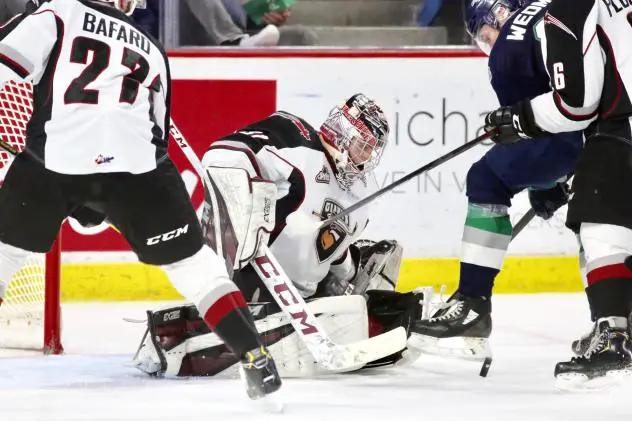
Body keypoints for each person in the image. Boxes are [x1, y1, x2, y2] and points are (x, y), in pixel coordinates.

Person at [0, 0, 281, 399]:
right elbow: (157, 134)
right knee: (194, 265)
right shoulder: (152, 46)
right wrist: (108, 197)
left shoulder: (59, 11)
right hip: (137, 170)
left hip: (57, 159)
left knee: (4, 254)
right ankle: (255, 357)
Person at [132, 94, 426, 377]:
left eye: (372, 149)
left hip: (307, 295)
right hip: (256, 280)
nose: (368, 156)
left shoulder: (363, 190)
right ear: (344, 133)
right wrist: (245, 207)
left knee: (371, 281)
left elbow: (334, 246)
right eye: (364, 144)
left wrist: (348, 277)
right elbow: (223, 155)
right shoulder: (297, 142)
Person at [408, 0, 584, 367]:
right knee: (600, 219)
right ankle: (618, 323)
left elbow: (535, 131)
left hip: (581, 130)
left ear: (498, 14)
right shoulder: (555, 9)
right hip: (615, 124)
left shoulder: (507, 50)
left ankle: (472, 303)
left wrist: (545, 183)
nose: (488, 45)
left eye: (485, 35)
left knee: (486, 179)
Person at [481, 0, 632, 386]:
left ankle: (614, 337)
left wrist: (520, 118)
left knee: (601, 223)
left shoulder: (570, 7)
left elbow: (577, 104)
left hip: (622, 128)